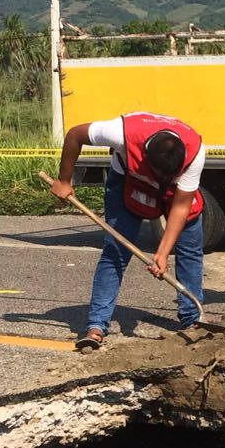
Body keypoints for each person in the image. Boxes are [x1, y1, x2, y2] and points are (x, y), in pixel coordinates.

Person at [49, 111, 206, 351]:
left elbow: (181, 207)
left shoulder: (195, 152)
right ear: (144, 156)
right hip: (128, 184)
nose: (163, 177)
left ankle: (192, 320)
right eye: (160, 173)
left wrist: (162, 253)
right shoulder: (120, 133)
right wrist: (64, 180)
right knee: (115, 251)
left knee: (190, 250)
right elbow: (74, 135)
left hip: (175, 194)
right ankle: (96, 325)